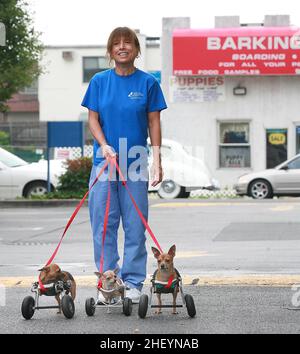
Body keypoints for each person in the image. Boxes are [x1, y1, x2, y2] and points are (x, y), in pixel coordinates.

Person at [81, 27, 167, 303]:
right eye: (116, 43)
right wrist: (104, 144)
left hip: (136, 160)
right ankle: (108, 281)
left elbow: (154, 121)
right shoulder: (98, 81)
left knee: (135, 225)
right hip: (104, 161)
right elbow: (93, 119)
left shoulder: (148, 83)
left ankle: (132, 282)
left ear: (136, 50)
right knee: (104, 224)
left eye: (127, 43)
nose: (122, 47)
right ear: (110, 51)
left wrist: (157, 160)